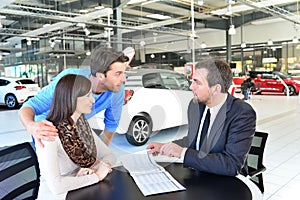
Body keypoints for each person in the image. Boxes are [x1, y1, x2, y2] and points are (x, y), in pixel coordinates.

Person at [147, 59, 256, 176]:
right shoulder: (195, 105)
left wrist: (182, 153)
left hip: (227, 182)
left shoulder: (241, 113)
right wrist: (166, 147)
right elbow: (192, 139)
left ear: (216, 89)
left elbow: (231, 165)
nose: (191, 87)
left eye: (197, 83)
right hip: (199, 175)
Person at [19, 46, 129, 147]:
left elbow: (111, 124)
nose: (124, 79)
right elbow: (30, 106)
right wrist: (31, 126)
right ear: (100, 76)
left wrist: (102, 152)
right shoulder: (68, 79)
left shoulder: (117, 91)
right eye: (118, 74)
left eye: (124, 73)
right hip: (47, 131)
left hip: (72, 131)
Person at [36, 74, 116, 198]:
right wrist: (97, 175)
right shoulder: (48, 134)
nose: (93, 100)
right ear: (71, 98)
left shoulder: (82, 125)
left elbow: (109, 156)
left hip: (81, 190)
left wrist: (97, 167)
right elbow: (56, 186)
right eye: (87, 96)